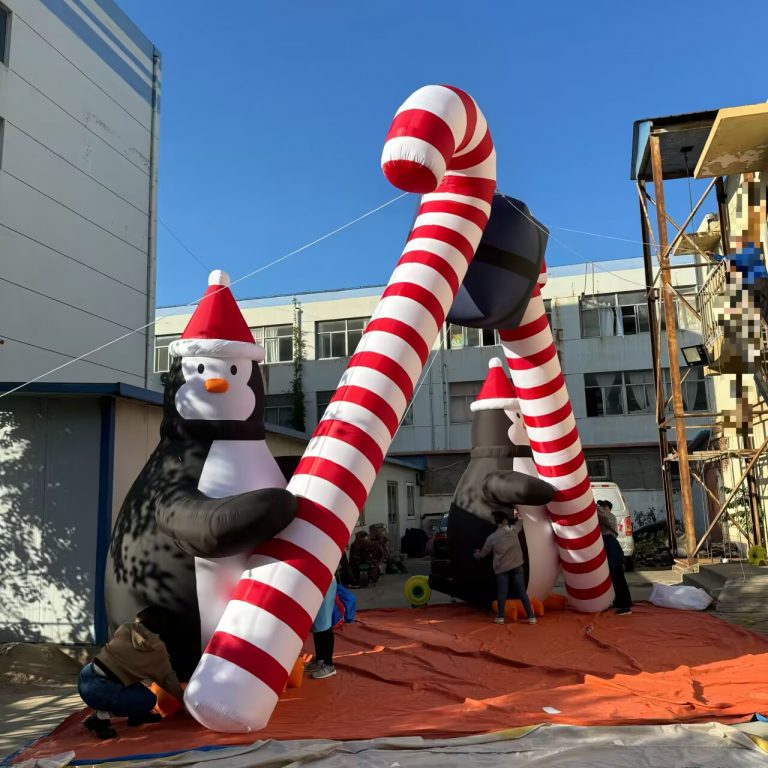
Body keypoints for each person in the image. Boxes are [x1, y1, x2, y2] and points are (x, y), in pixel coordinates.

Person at [78, 608, 185, 739]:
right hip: (101, 689)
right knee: (148, 700)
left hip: (86, 675)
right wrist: (184, 700)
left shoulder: (125, 628)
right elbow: (168, 679)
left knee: (135, 686)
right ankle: (100, 718)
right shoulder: (158, 650)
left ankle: (138, 715)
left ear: (140, 620)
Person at [474, 509, 536, 625]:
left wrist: (477, 554)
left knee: (502, 593)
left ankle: (500, 617)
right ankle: (531, 617)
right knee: (522, 592)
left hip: (502, 569)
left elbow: (483, 553)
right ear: (505, 520)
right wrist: (516, 510)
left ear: (495, 522)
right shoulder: (513, 530)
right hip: (517, 566)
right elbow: (520, 521)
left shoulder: (492, 537)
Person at [597, 500, 633, 615]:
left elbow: (603, 517)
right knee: (614, 578)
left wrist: (594, 506)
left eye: (603, 506)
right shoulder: (604, 516)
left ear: (608, 508)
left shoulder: (610, 516)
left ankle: (625, 606)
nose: (601, 508)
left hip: (612, 548)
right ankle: (620, 601)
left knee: (618, 579)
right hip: (609, 548)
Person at [305, 578, 338, 679]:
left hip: (323, 582)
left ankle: (329, 665)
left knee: (324, 624)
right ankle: (320, 659)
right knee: (317, 624)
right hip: (314, 583)